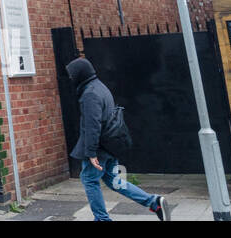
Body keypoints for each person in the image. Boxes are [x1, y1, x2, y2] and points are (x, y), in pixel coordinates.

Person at [66, 57, 169, 221]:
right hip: (110, 145)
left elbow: (93, 125)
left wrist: (91, 153)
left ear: (80, 74)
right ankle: (153, 202)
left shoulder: (89, 94)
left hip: (99, 148)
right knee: (114, 181)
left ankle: (102, 219)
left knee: (90, 181)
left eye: (72, 74)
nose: (71, 78)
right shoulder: (100, 87)